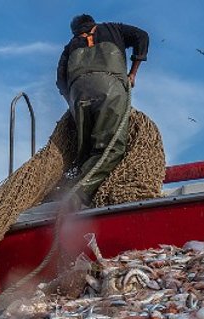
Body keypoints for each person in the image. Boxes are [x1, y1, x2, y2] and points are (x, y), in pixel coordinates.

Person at [56, 14, 149, 206]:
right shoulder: (113, 29)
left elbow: (60, 81)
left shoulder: (70, 46)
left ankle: (79, 192)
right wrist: (132, 73)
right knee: (111, 148)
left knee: (87, 151)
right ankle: (78, 194)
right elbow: (142, 36)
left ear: (76, 30)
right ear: (93, 23)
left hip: (78, 95)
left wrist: (73, 105)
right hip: (109, 90)